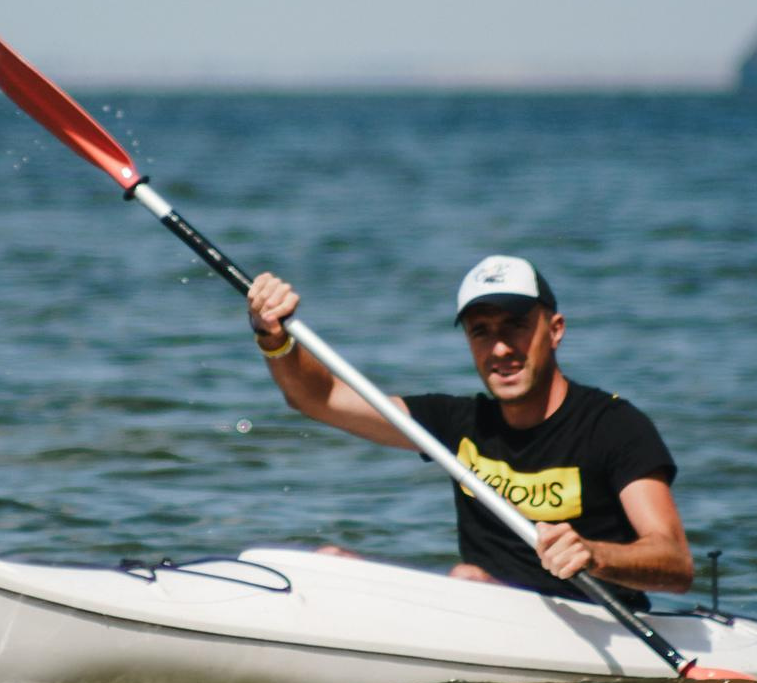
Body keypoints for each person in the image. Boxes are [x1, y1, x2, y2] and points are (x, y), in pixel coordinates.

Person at [244, 254, 694, 605]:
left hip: (595, 622)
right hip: (484, 611)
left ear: (554, 330)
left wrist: (596, 555)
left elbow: (674, 562)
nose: (499, 348)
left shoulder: (614, 426)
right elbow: (317, 398)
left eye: (515, 327)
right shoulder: (456, 423)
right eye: (481, 332)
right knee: (331, 563)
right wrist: (273, 337)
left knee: (466, 578)